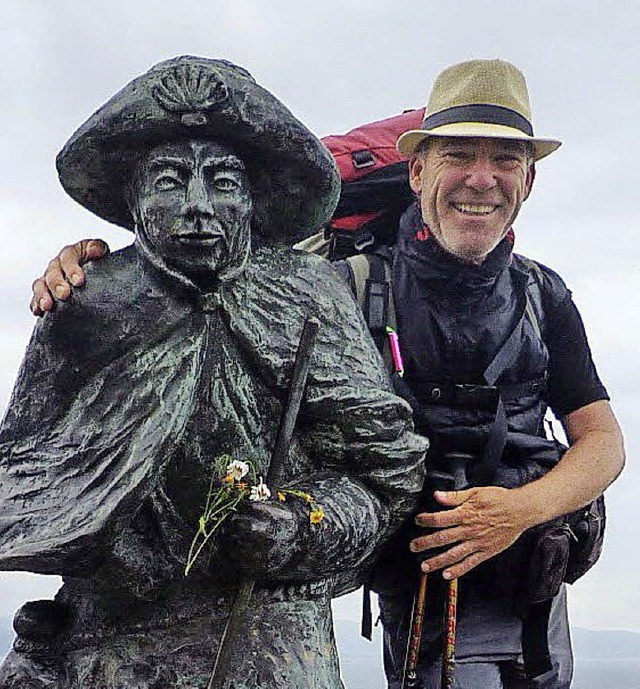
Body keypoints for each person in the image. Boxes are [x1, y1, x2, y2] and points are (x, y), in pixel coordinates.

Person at [29, 59, 625, 689]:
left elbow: (603, 441)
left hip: (527, 572)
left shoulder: (541, 293)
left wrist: (518, 512)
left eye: (505, 160)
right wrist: (104, 275)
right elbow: (221, 285)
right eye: (459, 155)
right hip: (417, 578)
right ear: (417, 170)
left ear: (527, 181)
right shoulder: (349, 288)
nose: (482, 179)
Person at [0, 56, 427, 689]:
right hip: (111, 641)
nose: (198, 205)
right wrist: (96, 526)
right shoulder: (86, 304)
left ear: (254, 196)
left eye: (223, 181)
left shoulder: (310, 296)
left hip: (270, 632)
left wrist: (302, 528)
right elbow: (19, 474)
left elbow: (385, 476)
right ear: (133, 195)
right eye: (170, 180)